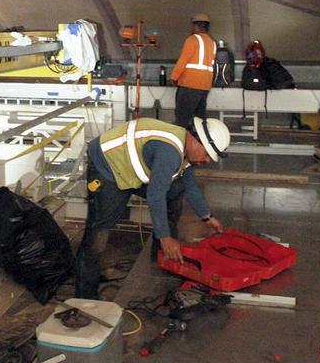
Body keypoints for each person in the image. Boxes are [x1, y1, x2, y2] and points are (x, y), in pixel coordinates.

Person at [76, 116, 231, 299]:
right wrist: (165, 236)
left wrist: (207, 217)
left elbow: (189, 186)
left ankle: (162, 257)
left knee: (175, 189)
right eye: (207, 154)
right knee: (99, 232)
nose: (206, 160)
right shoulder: (170, 152)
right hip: (108, 166)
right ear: (196, 140)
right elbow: (155, 194)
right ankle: (85, 296)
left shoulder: (185, 152)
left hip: (131, 168)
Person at [170, 13, 217, 130]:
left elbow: (183, 60)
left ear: (197, 26)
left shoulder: (193, 39)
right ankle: (201, 144)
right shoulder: (212, 42)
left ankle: (182, 145)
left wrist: (174, 77)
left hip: (190, 84)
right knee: (200, 119)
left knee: (182, 119)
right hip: (205, 85)